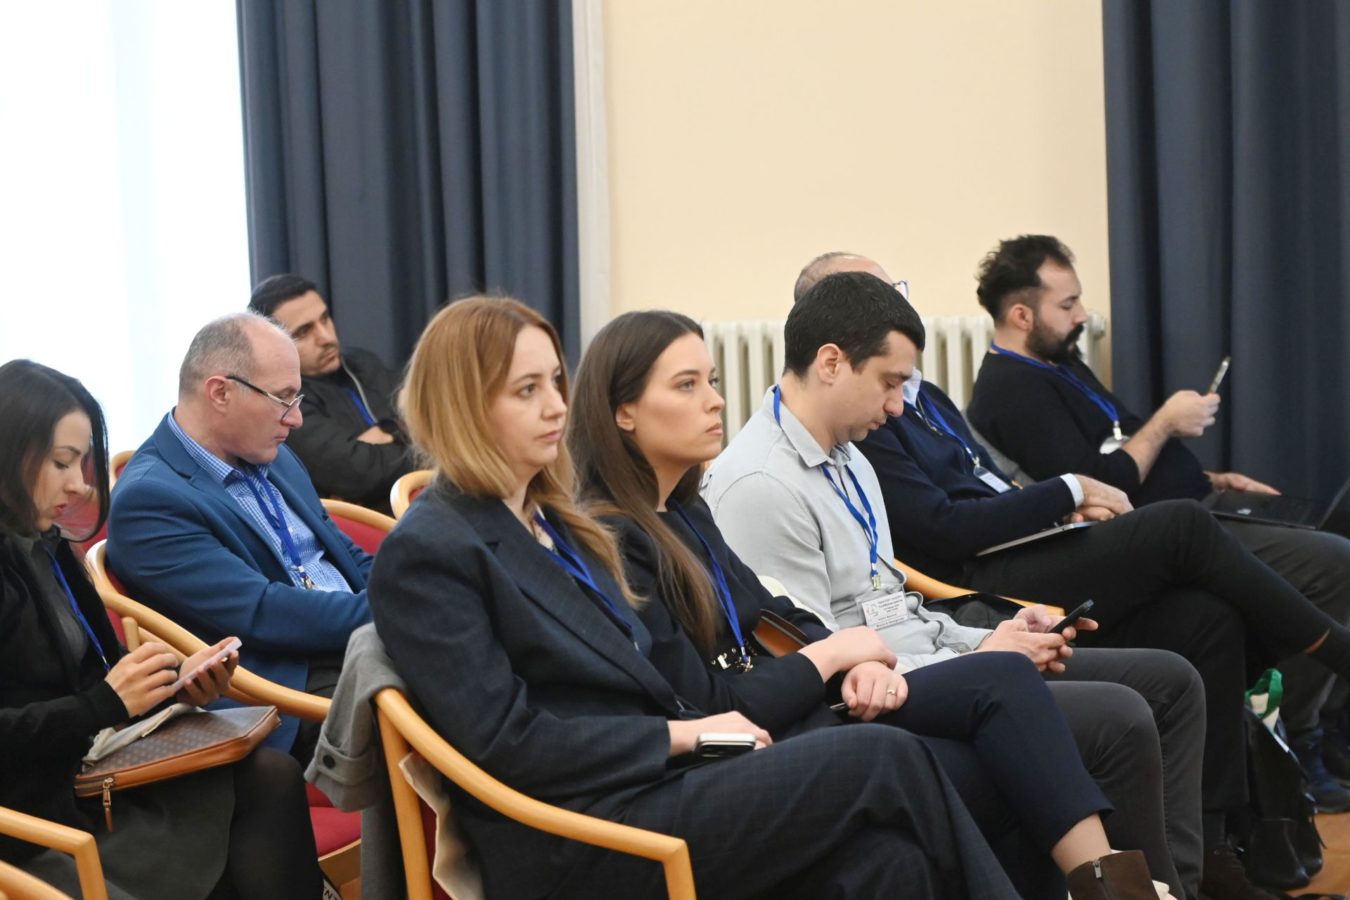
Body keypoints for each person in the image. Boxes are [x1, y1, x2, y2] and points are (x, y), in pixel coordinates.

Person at [703, 269, 1350, 900]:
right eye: (890, 383)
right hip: (879, 694)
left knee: (1172, 677)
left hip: (929, 655)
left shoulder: (847, 456)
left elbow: (895, 603)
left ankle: (1184, 884)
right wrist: (981, 652)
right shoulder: (761, 486)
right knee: (1121, 713)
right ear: (831, 363)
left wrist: (989, 634)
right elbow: (822, 661)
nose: (899, 405)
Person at [370, 295, 1039, 900]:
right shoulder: (431, 549)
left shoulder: (556, 521)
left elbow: (655, 671)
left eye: (555, 383)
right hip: (581, 829)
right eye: (527, 390)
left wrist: (719, 733)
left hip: (668, 773)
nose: (555, 406)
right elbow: (509, 742)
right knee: (884, 757)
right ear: (463, 405)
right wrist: (687, 735)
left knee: (889, 861)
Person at [567, 309, 1175, 899]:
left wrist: (858, 659)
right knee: (1001, 745)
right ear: (623, 411)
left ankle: (1112, 887)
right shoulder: (619, 537)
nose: (716, 401)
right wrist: (834, 656)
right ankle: (1115, 888)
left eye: (713, 380)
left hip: (813, 697)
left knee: (1006, 694)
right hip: (754, 743)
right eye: (688, 385)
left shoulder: (685, 510)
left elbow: (776, 612)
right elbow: (711, 704)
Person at [964, 234, 1350, 809]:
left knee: (1336, 519)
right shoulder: (1010, 389)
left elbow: (1120, 443)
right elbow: (1099, 483)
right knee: (1335, 563)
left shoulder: (1060, 363)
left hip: (1204, 506)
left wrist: (1213, 477)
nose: (1081, 315)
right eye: (1067, 304)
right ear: (1022, 315)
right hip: (1169, 533)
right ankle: (1301, 738)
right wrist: (1167, 421)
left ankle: (1330, 730)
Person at [0, 359, 321, 900]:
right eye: (61, 462)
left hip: (84, 777)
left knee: (269, 776)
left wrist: (170, 687)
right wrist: (104, 704)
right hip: (30, 822)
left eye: (82, 463)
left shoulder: (45, 543)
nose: (79, 485)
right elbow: (88, 703)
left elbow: (99, 682)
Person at [108, 312, 373, 759]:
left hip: (351, 640)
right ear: (220, 393)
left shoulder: (273, 455)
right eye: (283, 398)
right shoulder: (149, 500)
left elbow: (344, 557)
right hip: (287, 684)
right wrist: (398, 611)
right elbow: (263, 613)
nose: (297, 419)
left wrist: (422, 589)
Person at [249, 274, 414, 512]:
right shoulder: (285, 404)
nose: (326, 338)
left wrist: (388, 431)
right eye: (303, 332)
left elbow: (434, 426)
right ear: (272, 346)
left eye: (325, 319)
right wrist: (408, 434)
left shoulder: (363, 365)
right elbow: (359, 474)